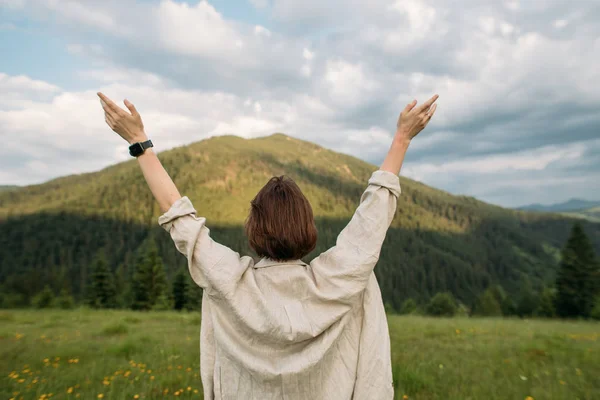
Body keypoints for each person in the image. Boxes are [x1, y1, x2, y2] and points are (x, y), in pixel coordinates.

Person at [98, 91, 438, 400]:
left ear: (253, 229)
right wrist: (401, 138)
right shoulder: (339, 280)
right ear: (309, 228)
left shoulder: (229, 280)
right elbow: (372, 218)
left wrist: (139, 141)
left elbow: (179, 218)